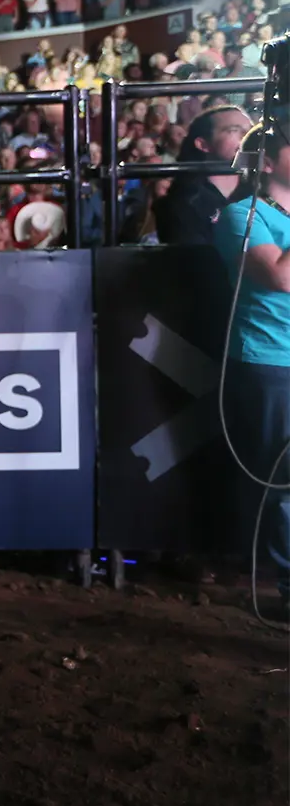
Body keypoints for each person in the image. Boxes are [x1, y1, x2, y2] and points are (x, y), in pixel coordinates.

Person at [211, 122, 290, 623]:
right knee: (284, 482)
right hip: (270, 362)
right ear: (265, 162)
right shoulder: (244, 215)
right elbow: (280, 277)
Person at [156, 104, 251, 245]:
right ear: (203, 144)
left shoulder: (262, 190)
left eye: (250, 131)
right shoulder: (183, 202)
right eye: (234, 130)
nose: (246, 136)